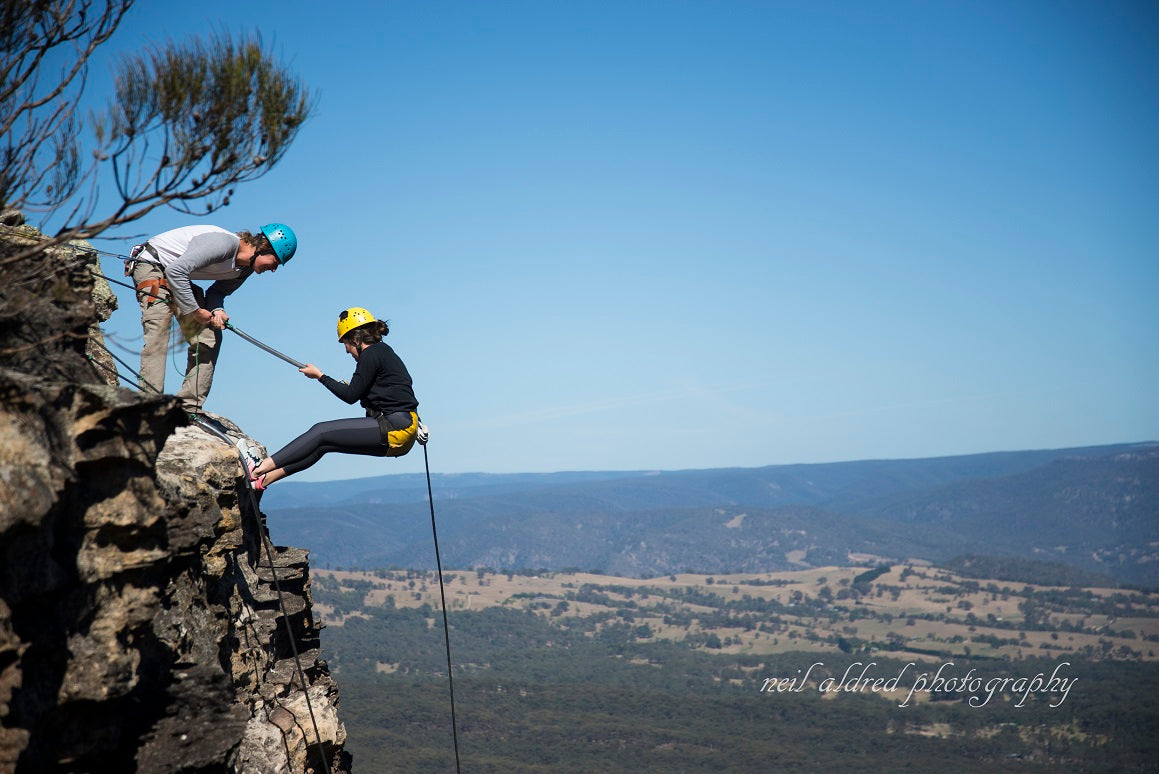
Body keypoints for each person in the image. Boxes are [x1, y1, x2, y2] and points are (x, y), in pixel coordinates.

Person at [126, 222, 297, 415]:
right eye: (275, 262)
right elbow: (176, 271)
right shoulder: (223, 244)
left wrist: (217, 310)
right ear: (264, 248)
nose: (273, 269)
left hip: (177, 275)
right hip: (153, 265)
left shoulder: (245, 269)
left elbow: (217, 292)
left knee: (209, 337)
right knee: (159, 330)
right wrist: (195, 311)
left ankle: (189, 409)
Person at [248, 307, 423, 489]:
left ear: (355, 338)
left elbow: (350, 396)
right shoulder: (384, 352)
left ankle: (258, 468)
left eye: (345, 344)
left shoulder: (370, 354)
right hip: (403, 429)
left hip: (395, 427)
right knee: (325, 445)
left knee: (321, 431)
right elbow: (399, 390)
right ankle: (264, 480)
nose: (347, 351)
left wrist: (320, 376)